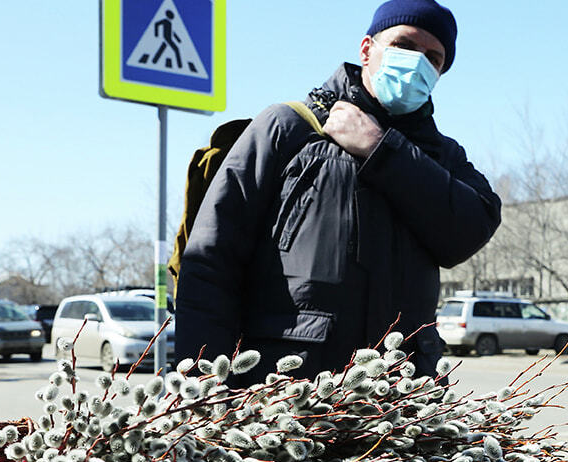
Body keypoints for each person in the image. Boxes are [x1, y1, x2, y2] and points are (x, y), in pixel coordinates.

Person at [176, 0, 500, 388]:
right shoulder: (289, 127)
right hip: (288, 394)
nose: (419, 64)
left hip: (400, 397)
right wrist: (200, 388)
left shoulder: (441, 156)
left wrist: (380, 149)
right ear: (367, 49)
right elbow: (211, 261)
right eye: (405, 46)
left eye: (434, 58)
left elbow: (469, 230)